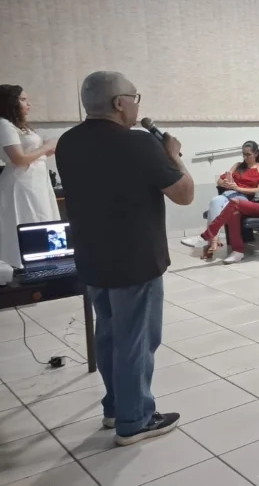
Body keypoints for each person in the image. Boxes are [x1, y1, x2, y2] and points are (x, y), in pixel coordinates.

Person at [56, 71, 194, 445]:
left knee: (109, 334)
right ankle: (135, 420)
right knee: (135, 340)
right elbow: (184, 194)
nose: (136, 104)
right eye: (134, 97)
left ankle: (116, 407)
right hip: (134, 259)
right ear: (119, 103)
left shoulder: (68, 142)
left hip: (92, 256)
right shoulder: (139, 143)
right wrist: (173, 156)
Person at [0, 85, 59, 268]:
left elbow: (30, 154)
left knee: (41, 218)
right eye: (23, 100)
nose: (28, 104)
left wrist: (46, 151)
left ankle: (44, 265)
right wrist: (46, 146)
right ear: (11, 102)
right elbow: (18, 158)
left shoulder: (20, 126)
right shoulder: (4, 124)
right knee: (26, 221)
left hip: (36, 181)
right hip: (21, 182)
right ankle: (23, 267)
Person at [182, 142, 259, 259]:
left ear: (256, 153)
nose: (245, 157)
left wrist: (238, 188)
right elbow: (219, 181)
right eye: (243, 154)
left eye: (248, 154)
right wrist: (226, 183)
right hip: (229, 192)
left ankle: (209, 240)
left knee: (227, 206)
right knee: (215, 201)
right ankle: (213, 240)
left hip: (244, 197)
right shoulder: (238, 165)